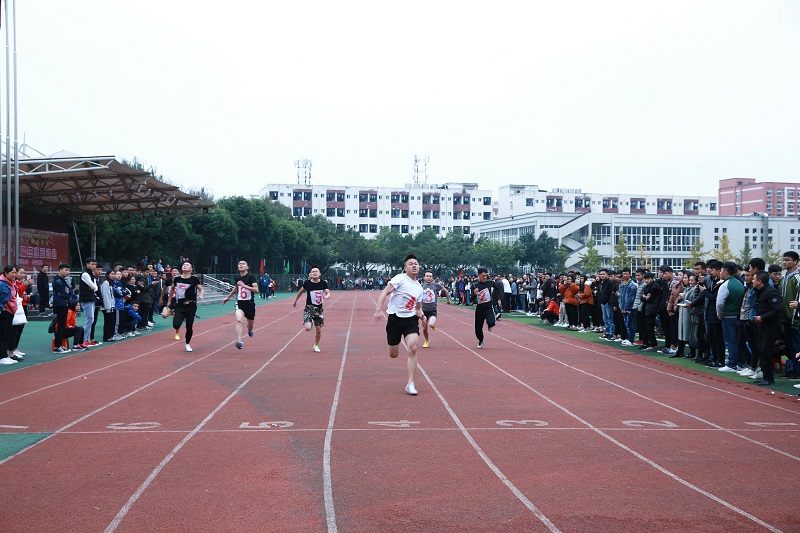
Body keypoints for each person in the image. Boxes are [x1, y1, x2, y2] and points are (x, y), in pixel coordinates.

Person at [374, 253, 426, 396]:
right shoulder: (399, 279)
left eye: (416, 263)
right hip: (395, 319)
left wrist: (422, 315)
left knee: (413, 347)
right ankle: (394, 347)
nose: (414, 265)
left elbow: (418, 308)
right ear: (405, 268)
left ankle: (410, 383)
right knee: (393, 354)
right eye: (411, 263)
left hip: (410, 320)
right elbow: (385, 292)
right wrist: (378, 310)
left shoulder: (419, 288)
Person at [751, 271, 783, 386]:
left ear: (760, 281)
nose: (752, 281)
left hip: (771, 326)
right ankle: (764, 375)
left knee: (766, 351)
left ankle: (769, 377)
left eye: (754, 279)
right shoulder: (759, 291)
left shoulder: (771, 292)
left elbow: (777, 309)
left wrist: (763, 317)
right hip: (762, 325)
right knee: (760, 349)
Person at [165, 261, 204, 352]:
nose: (185, 266)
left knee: (189, 326)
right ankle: (181, 317)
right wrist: (169, 301)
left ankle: (187, 344)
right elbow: (172, 290)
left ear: (191, 269)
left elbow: (201, 289)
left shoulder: (194, 279)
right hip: (180, 305)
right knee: (176, 325)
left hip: (191, 305)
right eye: (184, 265)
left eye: (187, 265)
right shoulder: (177, 278)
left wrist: (201, 295)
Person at [223, 260, 259, 350]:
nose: (241, 265)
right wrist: (228, 297)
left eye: (243, 264)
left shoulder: (251, 277)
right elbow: (236, 288)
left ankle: (250, 329)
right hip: (240, 303)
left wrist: (244, 286)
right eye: (239, 264)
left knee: (250, 325)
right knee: (239, 319)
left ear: (247, 267)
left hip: (250, 304)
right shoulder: (237, 278)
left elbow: (256, 290)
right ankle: (239, 341)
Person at [293, 265, 330, 352]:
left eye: (316, 271)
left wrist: (326, 296)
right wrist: (295, 301)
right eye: (313, 271)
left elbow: (328, 292)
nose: (314, 273)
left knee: (319, 330)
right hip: (309, 308)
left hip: (319, 309)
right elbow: (301, 291)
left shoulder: (323, 283)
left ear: (319, 273)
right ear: (310, 274)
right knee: (308, 328)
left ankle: (316, 345)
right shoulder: (307, 283)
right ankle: (309, 321)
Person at [420, 270, 451, 348]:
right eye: (427, 276)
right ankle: (427, 341)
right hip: (423, 310)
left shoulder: (436, 285)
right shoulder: (420, 286)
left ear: (432, 277)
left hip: (432, 310)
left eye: (430, 276)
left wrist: (448, 300)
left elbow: (446, 290)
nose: (428, 278)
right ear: (424, 277)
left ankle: (433, 325)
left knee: (431, 324)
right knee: (424, 328)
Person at [472, 267, 501, 348]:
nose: (485, 277)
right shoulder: (475, 285)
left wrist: (499, 299)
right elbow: (471, 299)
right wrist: (474, 294)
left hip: (488, 307)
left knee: (492, 322)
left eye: (486, 275)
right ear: (478, 275)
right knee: (478, 328)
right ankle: (481, 340)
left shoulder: (490, 282)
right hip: (479, 308)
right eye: (483, 276)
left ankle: (489, 324)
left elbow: (497, 289)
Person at [78, 258, 99, 347]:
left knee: (91, 320)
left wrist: (93, 287)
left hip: (91, 298)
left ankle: (88, 338)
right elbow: (93, 286)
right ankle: (84, 339)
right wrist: (93, 287)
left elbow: (96, 287)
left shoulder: (91, 274)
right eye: (92, 264)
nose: (94, 266)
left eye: (95, 264)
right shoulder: (85, 274)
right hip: (86, 299)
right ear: (87, 264)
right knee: (89, 319)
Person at [51, 263, 72, 354]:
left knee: (62, 325)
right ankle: (57, 346)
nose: (67, 272)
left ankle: (60, 345)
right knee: (60, 326)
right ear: (60, 270)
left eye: (68, 270)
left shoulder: (63, 280)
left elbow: (69, 291)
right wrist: (66, 294)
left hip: (64, 304)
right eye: (65, 270)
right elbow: (64, 293)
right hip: (59, 305)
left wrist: (66, 294)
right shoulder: (57, 281)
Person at [0, 266, 18, 365]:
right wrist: (2, 307)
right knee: (2, 335)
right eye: (12, 273)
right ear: (6, 273)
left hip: (11, 311)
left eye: (15, 273)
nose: (14, 275)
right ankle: (1, 356)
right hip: (4, 311)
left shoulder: (13, 283)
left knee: (7, 334)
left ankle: (5, 355)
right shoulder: (1, 283)